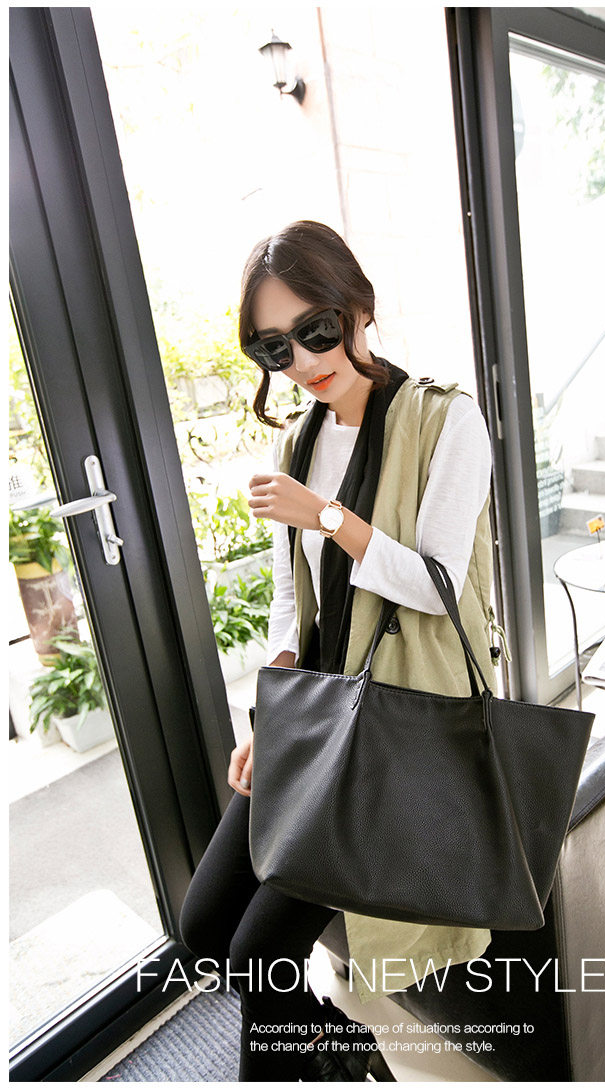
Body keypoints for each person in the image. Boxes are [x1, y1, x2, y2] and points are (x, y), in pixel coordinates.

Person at [179, 220, 499, 1082]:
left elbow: (438, 585)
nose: (302, 361)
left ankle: (320, 1060)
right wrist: (268, 719)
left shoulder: (446, 419)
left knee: (257, 955)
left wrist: (326, 516)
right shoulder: (299, 441)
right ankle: (343, 1046)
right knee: (203, 930)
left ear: (357, 307)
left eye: (316, 330)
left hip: (390, 736)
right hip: (314, 720)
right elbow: (293, 606)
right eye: (273, 347)